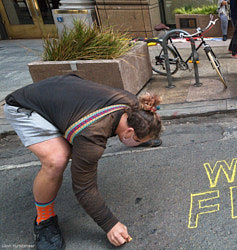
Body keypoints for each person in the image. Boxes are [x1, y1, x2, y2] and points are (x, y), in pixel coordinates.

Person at [3, 74, 163, 249]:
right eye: (137, 139)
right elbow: (84, 188)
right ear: (129, 133)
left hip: (56, 92)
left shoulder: (134, 105)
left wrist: (143, 135)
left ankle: (137, 136)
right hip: (25, 107)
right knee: (57, 159)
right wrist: (109, 224)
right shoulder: (92, 137)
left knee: (78, 148)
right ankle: (44, 219)